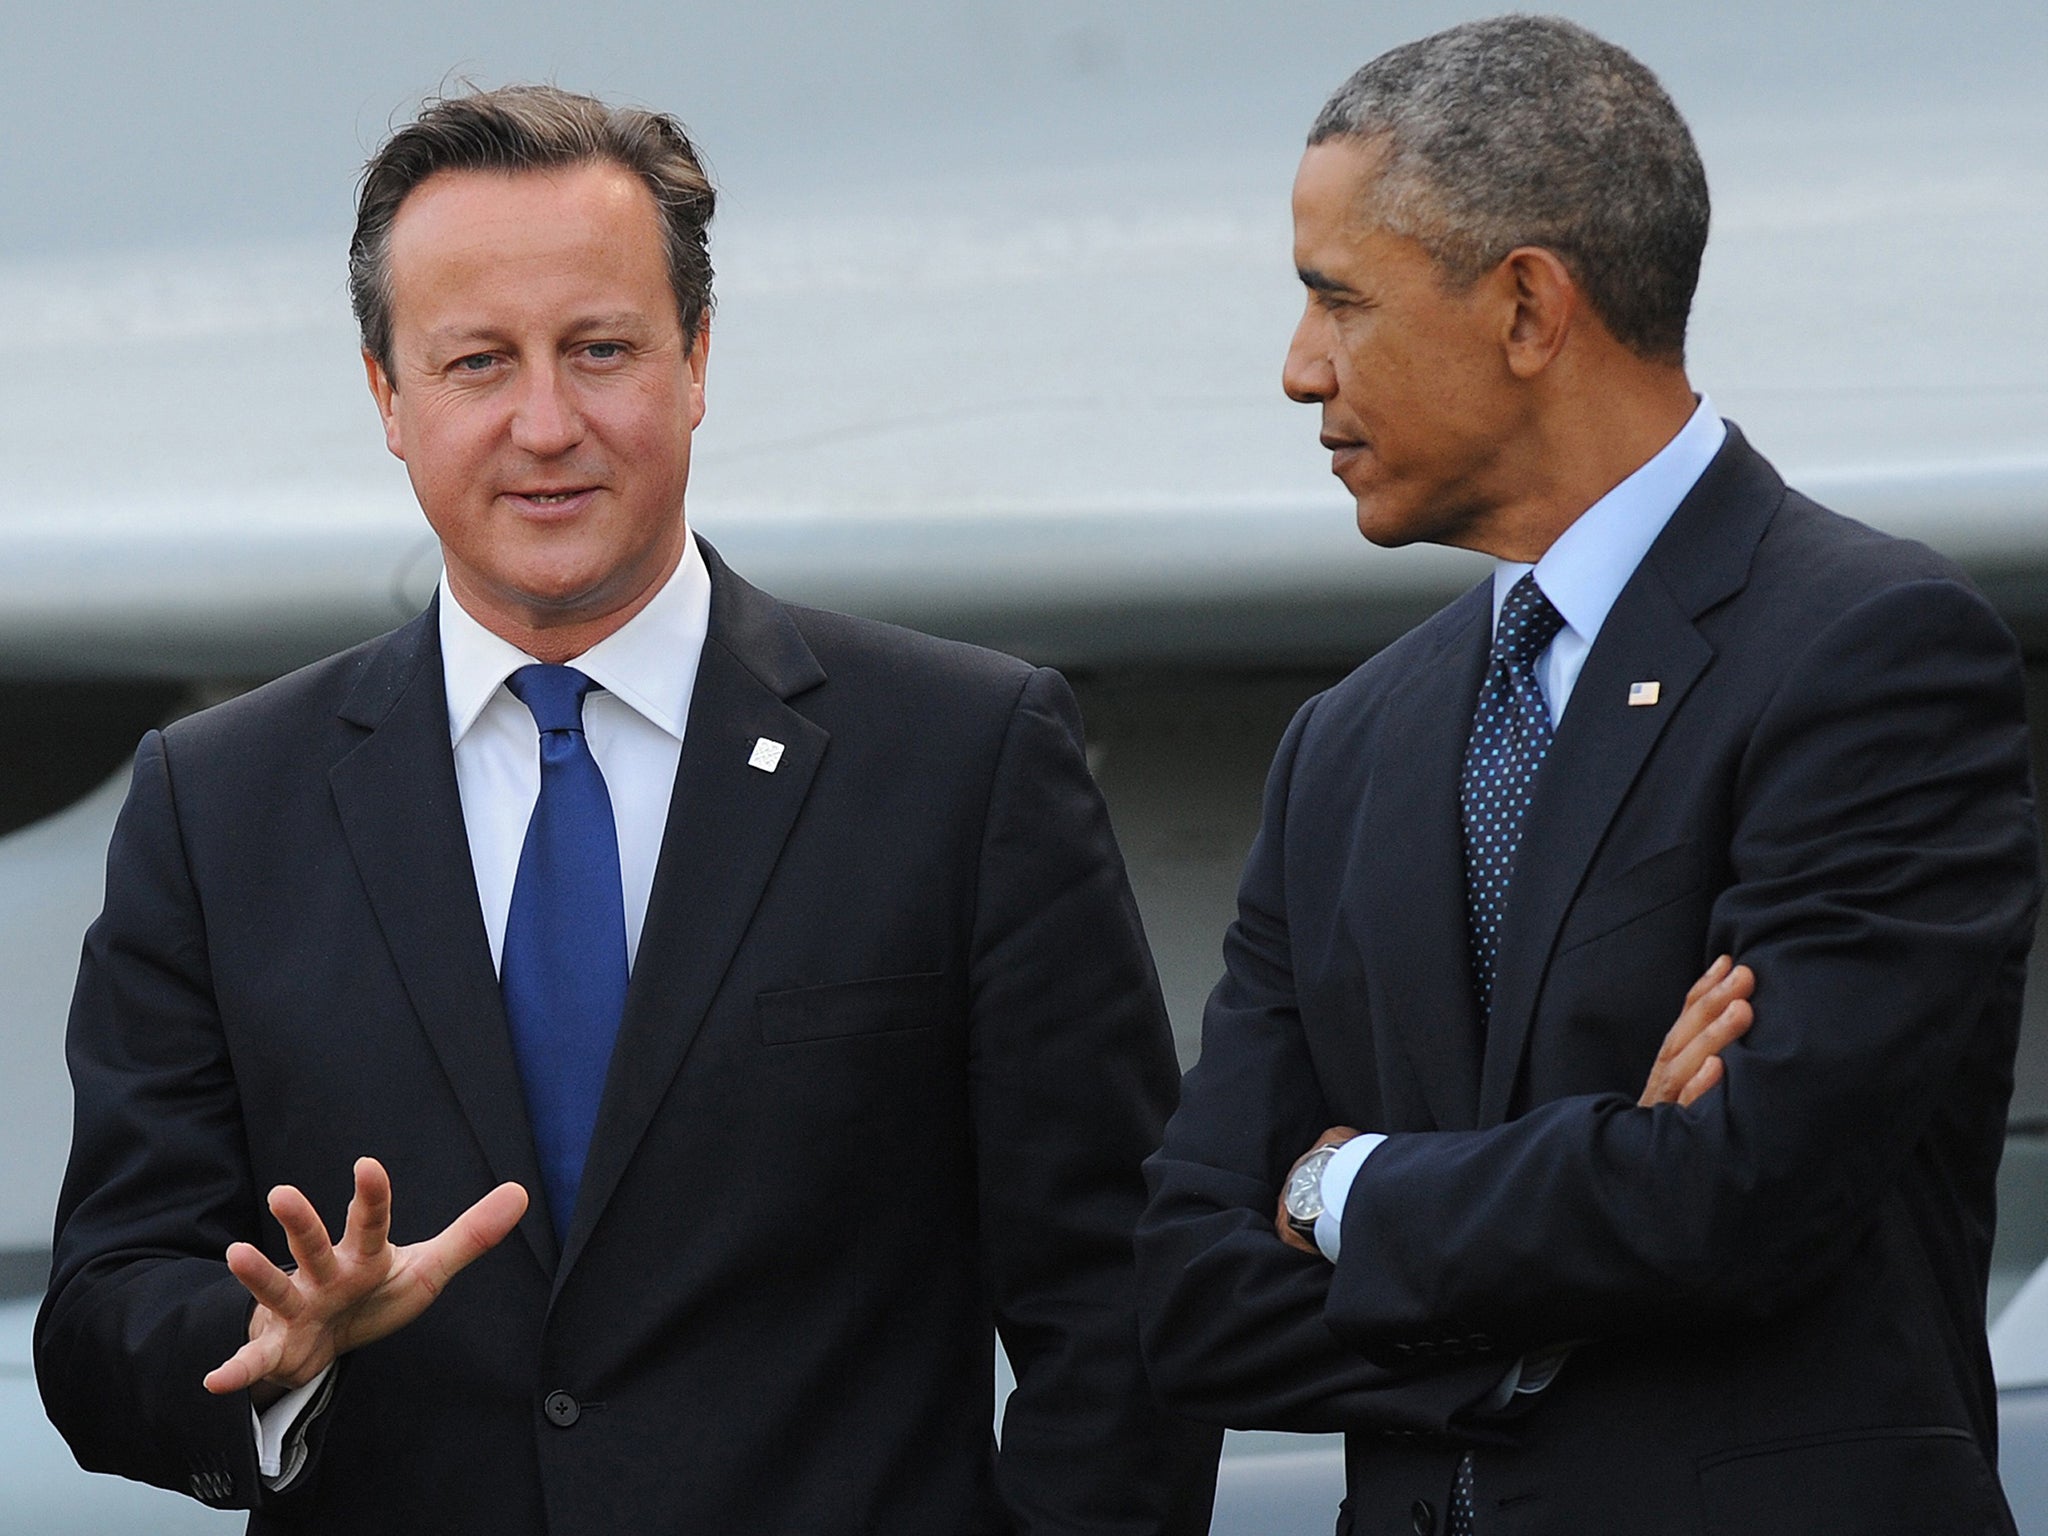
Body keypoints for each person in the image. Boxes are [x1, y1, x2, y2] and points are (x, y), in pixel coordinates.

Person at [36, 84, 1218, 1533]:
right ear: (387, 398)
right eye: (478, 362)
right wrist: (266, 1353)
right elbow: (100, 1314)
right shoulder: (216, 809)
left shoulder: (962, 759)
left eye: (600, 350)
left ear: (698, 361)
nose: (548, 424)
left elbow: (1117, 1307)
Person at [1136, 16, 2040, 1535]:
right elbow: (1194, 1296)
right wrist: (1608, 1217)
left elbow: (1744, 1198)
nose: (1301, 370)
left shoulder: (1874, 656)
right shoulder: (1346, 746)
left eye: (1338, 301)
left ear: (1530, 307)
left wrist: (1342, 1195)